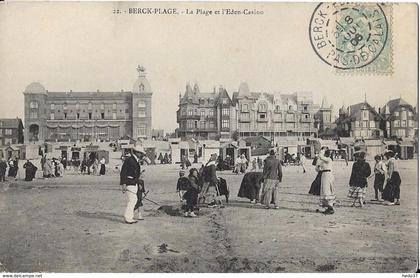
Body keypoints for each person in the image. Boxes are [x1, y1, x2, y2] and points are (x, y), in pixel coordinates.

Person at [120, 147, 143, 224]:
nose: (141, 154)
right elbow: (123, 172)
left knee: (134, 200)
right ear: (136, 152)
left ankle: (129, 216)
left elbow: (136, 174)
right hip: (129, 182)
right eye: (140, 153)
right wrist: (123, 184)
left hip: (134, 182)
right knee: (132, 200)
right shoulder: (129, 160)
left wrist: (138, 183)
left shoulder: (135, 161)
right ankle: (128, 217)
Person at [317, 149, 336, 214]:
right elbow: (317, 169)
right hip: (324, 175)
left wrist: (321, 151)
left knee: (327, 190)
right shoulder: (323, 161)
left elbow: (321, 157)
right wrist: (318, 166)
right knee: (324, 190)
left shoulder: (329, 159)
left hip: (328, 175)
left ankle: (330, 207)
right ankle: (328, 207)